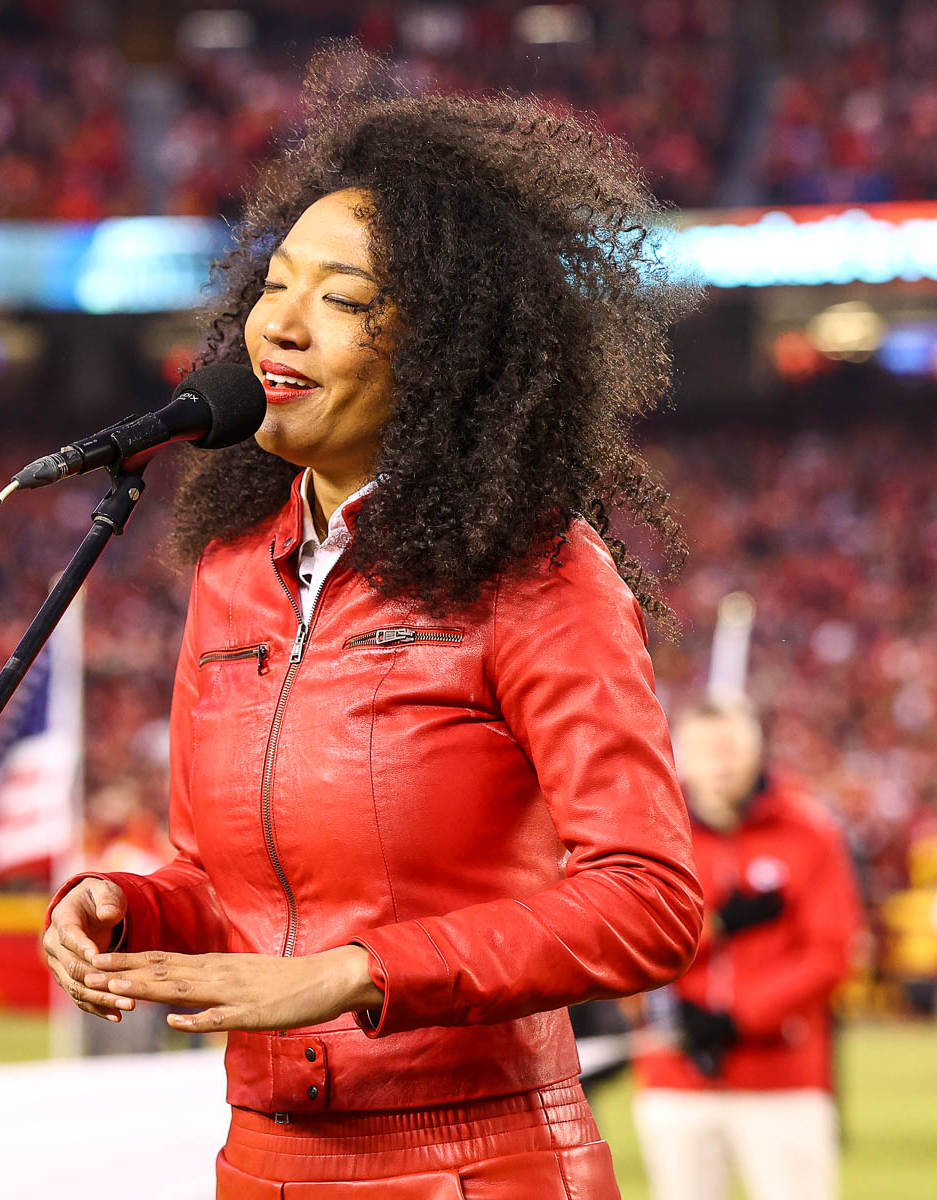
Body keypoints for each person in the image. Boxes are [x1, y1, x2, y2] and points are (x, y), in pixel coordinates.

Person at [40, 46, 704, 1198]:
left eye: (343, 300)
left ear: (444, 351)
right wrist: (125, 907)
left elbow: (650, 900)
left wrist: (361, 972)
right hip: (261, 1161)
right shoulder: (232, 571)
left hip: (477, 1163)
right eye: (275, 285)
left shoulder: (539, 571)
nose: (282, 327)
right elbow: (220, 880)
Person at [633, 700, 862, 1200]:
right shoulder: (653, 834)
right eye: (706, 748)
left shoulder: (809, 832)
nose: (721, 762)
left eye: (731, 746)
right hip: (676, 1074)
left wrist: (739, 1017)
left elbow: (831, 953)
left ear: (757, 748)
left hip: (782, 1076)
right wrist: (714, 928)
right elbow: (631, 938)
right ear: (681, 754)